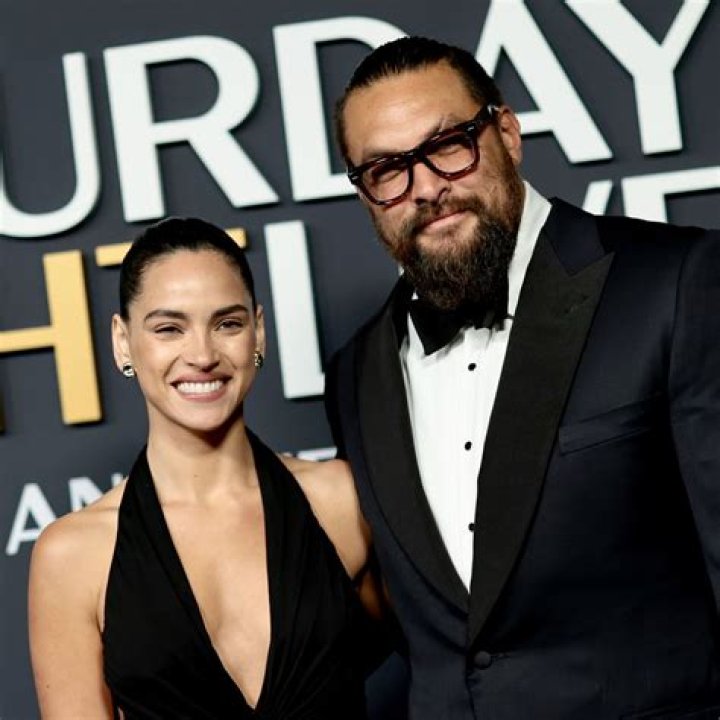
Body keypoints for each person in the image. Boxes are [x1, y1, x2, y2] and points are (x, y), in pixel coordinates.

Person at [325, 35, 720, 719]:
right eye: (388, 169)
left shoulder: (673, 283)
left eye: (448, 145)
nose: (427, 187)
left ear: (506, 133)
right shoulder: (357, 374)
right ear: (365, 194)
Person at [28, 217, 379, 719]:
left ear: (258, 331)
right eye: (169, 329)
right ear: (123, 341)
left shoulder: (340, 501)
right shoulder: (74, 556)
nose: (202, 355)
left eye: (227, 324)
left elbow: (447, 667)